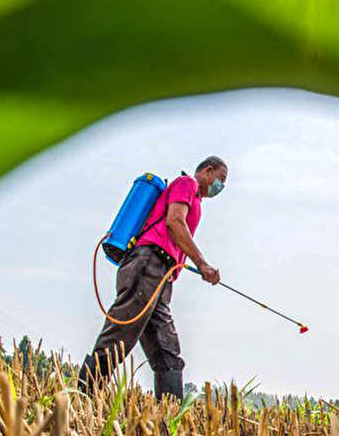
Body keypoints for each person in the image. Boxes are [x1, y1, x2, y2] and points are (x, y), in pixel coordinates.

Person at [78, 156, 228, 400]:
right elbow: (175, 221)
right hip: (148, 264)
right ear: (208, 171)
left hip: (162, 276)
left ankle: (170, 418)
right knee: (120, 334)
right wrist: (202, 264)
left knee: (167, 351)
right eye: (220, 179)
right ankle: (82, 397)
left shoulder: (196, 199)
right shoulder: (186, 183)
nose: (220, 187)